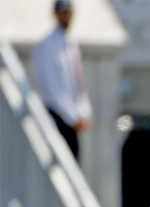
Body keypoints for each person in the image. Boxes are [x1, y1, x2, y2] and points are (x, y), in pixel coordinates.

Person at [32, 0, 91, 159]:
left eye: (69, 13)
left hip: (71, 118)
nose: (66, 17)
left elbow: (77, 83)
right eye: (63, 12)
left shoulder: (71, 44)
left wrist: (83, 112)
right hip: (57, 115)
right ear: (55, 14)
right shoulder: (45, 46)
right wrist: (72, 117)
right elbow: (51, 88)